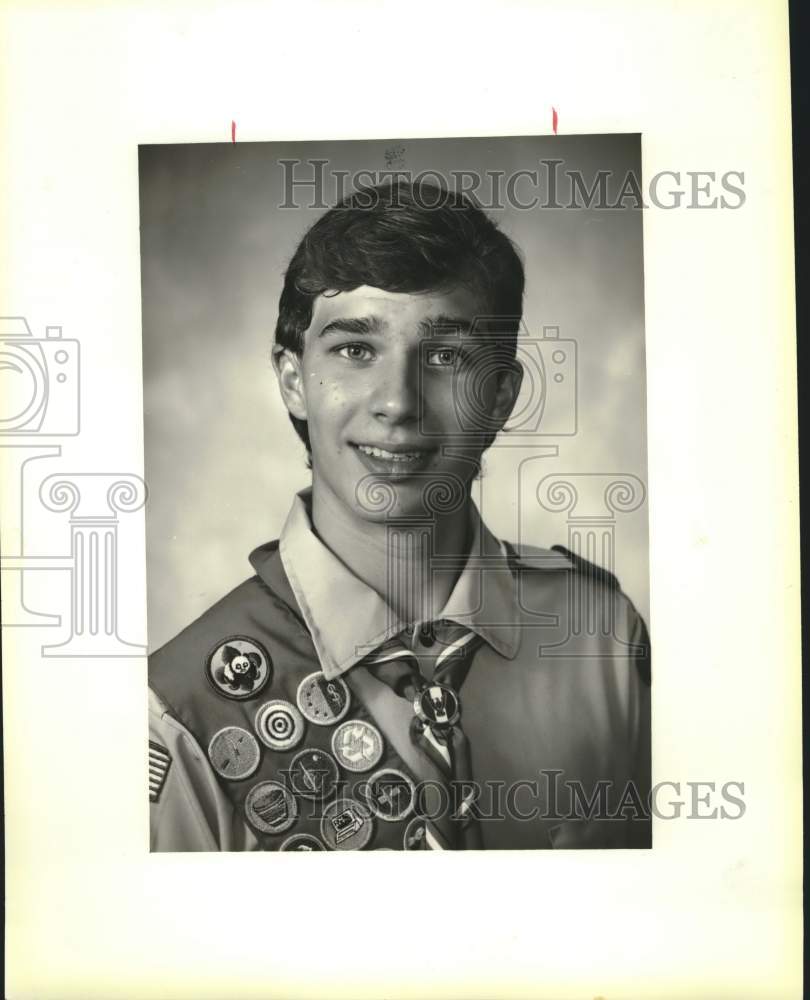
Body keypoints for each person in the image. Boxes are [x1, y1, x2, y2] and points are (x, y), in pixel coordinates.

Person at [148, 180, 651, 851]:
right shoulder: (180, 712)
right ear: (295, 381)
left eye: (446, 357)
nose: (398, 403)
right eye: (356, 350)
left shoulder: (602, 642)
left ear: (501, 396)